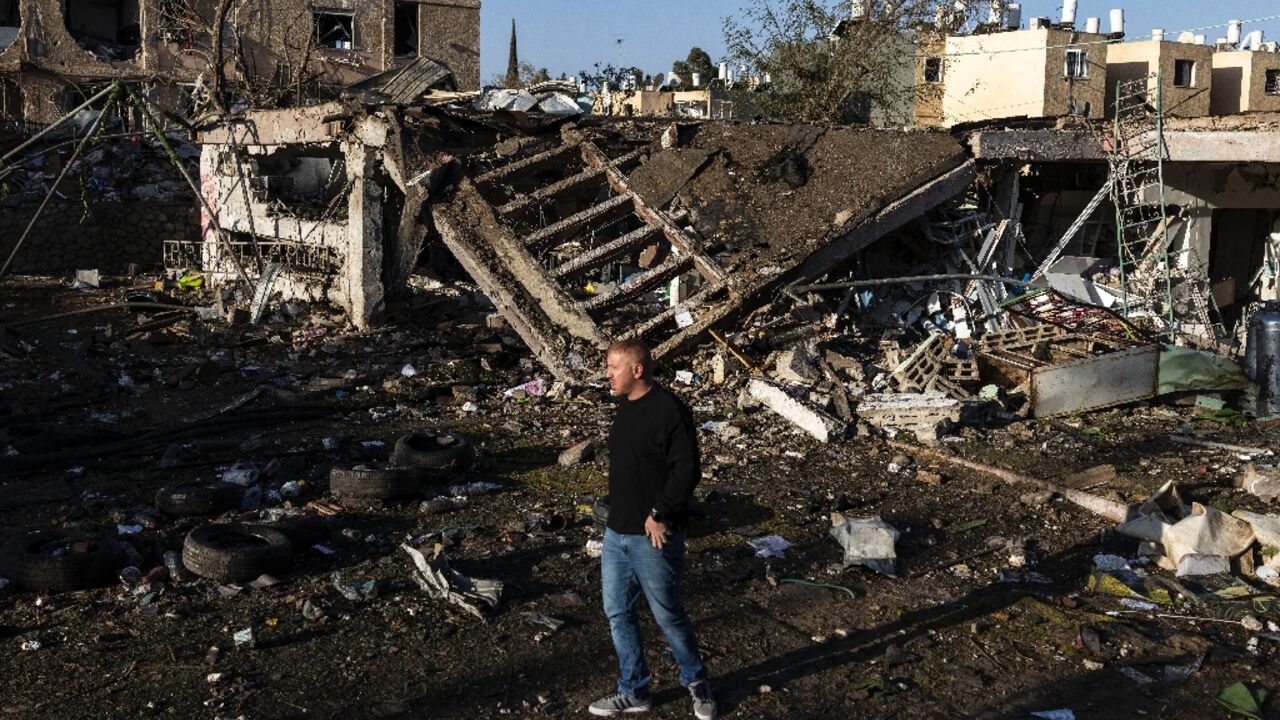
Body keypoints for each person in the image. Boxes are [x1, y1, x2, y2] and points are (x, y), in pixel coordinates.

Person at [588, 339, 718, 720]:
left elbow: (687, 469)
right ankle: (634, 690)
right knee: (618, 614)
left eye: (613, 367)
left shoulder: (669, 410)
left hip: (654, 535)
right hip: (616, 534)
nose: (607, 375)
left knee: (667, 616)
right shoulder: (625, 409)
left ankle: (697, 684)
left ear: (637, 370)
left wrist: (660, 512)